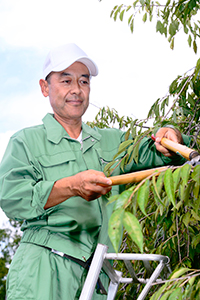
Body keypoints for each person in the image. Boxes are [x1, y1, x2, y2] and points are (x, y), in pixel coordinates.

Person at [0, 43, 190, 300]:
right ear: (45, 88)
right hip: (43, 269)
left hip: (99, 274)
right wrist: (71, 186)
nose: (76, 90)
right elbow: (12, 198)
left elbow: (162, 149)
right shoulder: (26, 141)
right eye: (66, 80)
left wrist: (170, 134)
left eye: (84, 81)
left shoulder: (113, 141)